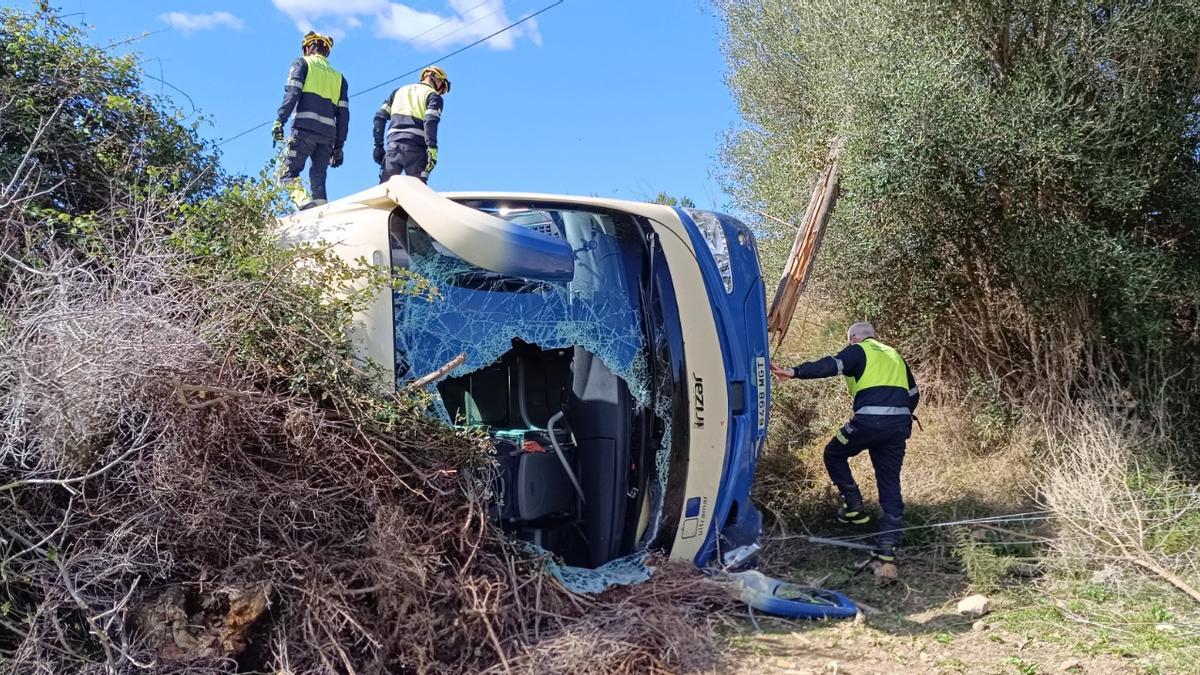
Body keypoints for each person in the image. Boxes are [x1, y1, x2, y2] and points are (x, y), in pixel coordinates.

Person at [770, 321, 918, 561]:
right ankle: (887, 546)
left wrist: (794, 372)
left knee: (834, 454)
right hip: (898, 425)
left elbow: (830, 365)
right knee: (889, 480)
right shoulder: (895, 355)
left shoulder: (859, 350)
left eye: (849, 340)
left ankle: (854, 507)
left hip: (869, 420)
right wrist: (898, 417)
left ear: (853, 338)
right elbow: (913, 393)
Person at [273, 31, 349, 209]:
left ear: (307, 48)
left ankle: (306, 206)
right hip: (328, 136)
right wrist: (339, 146)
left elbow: (292, 93)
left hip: (304, 130)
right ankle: (322, 211)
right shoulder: (339, 77)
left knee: (286, 173)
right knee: (318, 179)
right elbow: (344, 115)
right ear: (327, 52)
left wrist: (279, 120)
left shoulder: (302, 63)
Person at [373, 66, 450, 184]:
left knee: (385, 192)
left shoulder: (398, 91)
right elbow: (430, 121)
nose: (440, 90)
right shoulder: (433, 95)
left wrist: (378, 146)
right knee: (418, 195)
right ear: (435, 78)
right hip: (417, 149)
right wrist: (432, 149)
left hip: (393, 147)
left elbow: (379, 118)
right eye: (442, 85)